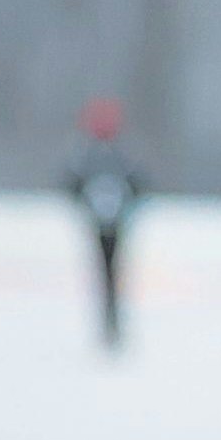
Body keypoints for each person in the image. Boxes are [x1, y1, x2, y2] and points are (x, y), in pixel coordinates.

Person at [63, 99, 144, 352]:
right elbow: (72, 186)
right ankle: (107, 326)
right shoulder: (88, 155)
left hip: (114, 224)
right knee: (104, 275)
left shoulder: (118, 155)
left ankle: (113, 325)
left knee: (112, 275)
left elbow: (138, 185)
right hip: (100, 224)